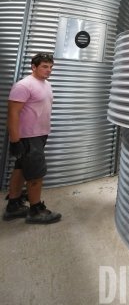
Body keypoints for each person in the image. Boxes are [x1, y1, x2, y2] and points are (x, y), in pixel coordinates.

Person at [2, 53, 62, 224]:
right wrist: (15, 141)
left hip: (40, 135)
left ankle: (13, 206)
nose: (49, 70)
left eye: (50, 67)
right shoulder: (23, 86)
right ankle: (35, 211)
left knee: (20, 169)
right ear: (33, 66)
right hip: (29, 137)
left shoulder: (46, 84)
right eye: (44, 66)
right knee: (36, 174)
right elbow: (13, 113)